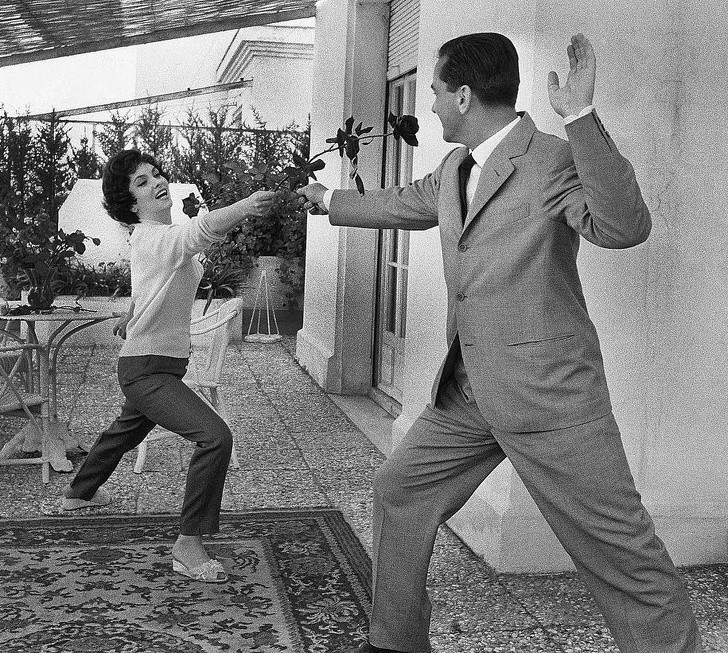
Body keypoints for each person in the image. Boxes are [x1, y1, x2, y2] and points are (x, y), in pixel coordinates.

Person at [298, 33, 701, 653]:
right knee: (401, 491)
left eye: (434, 90)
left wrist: (583, 117)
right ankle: (395, 642)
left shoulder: (554, 158)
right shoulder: (455, 167)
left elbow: (624, 226)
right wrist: (328, 200)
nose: (428, 103)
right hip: (468, 392)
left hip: (550, 400)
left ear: (462, 95)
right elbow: (407, 202)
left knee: (622, 556)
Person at [62, 149, 275, 583]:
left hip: (158, 362)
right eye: (141, 182)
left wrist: (132, 313)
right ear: (131, 205)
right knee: (215, 437)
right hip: (146, 370)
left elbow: (151, 283)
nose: (156, 182)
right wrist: (247, 206)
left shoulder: (155, 239)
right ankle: (188, 543)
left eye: (156, 174)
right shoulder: (155, 236)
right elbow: (200, 232)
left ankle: (78, 492)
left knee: (126, 430)